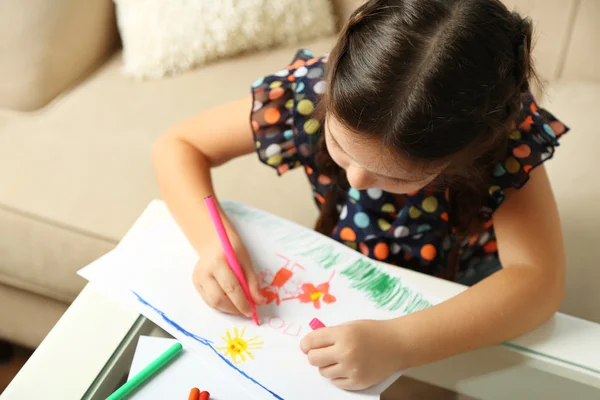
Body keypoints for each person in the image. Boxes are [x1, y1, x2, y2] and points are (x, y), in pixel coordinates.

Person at [152, 0, 569, 391]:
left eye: (395, 176)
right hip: (344, 264)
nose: (354, 182)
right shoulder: (310, 93)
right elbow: (179, 146)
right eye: (339, 145)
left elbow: (537, 282)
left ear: (464, 155)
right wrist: (211, 242)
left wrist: (402, 343)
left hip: (456, 286)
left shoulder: (502, 142)